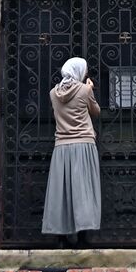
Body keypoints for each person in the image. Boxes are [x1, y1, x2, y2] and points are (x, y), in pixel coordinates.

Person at [41, 57, 102, 246]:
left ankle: (61, 237)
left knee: (62, 191)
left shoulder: (53, 93)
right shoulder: (85, 90)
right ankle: (83, 237)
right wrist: (90, 90)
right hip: (83, 144)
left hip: (61, 146)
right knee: (84, 190)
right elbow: (96, 111)